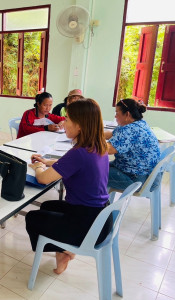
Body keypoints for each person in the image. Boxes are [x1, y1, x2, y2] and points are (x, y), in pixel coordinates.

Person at [25, 98, 112, 274]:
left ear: (79, 125)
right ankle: (62, 252)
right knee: (48, 205)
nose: (63, 123)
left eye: (68, 120)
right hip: (101, 217)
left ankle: (66, 250)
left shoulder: (79, 153)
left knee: (32, 218)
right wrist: (48, 161)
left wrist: (39, 166)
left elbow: (42, 179)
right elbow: (70, 164)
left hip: (88, 225)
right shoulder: (97, 146)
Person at [105, 98, 160, 190]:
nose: (115, 116)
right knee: (97, 166)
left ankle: (92, 202)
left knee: (93, 172)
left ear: (127, 114)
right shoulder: (138, 123)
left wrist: (87, 141)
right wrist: (90, 133)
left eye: (117, 112)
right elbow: (110, 134)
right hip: (141, 173)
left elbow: (108, 149)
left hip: (138, 180)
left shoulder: (130, 130)